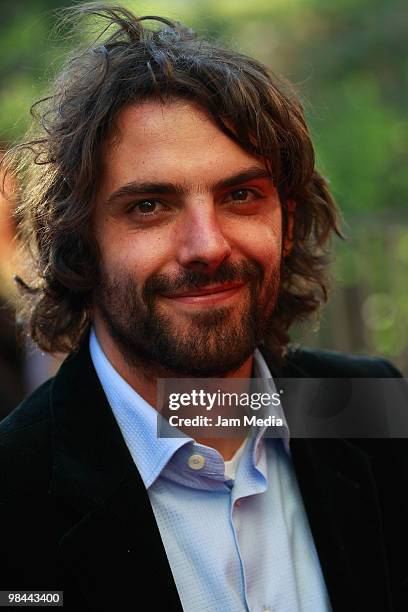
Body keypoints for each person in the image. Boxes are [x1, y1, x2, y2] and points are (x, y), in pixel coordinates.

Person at [0, 4, 407, 611]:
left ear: (287, 221)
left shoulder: (368, 409)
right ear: (80, 243)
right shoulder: (15, 491)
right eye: (150, 206)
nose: (207, 245)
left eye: (241, 195)